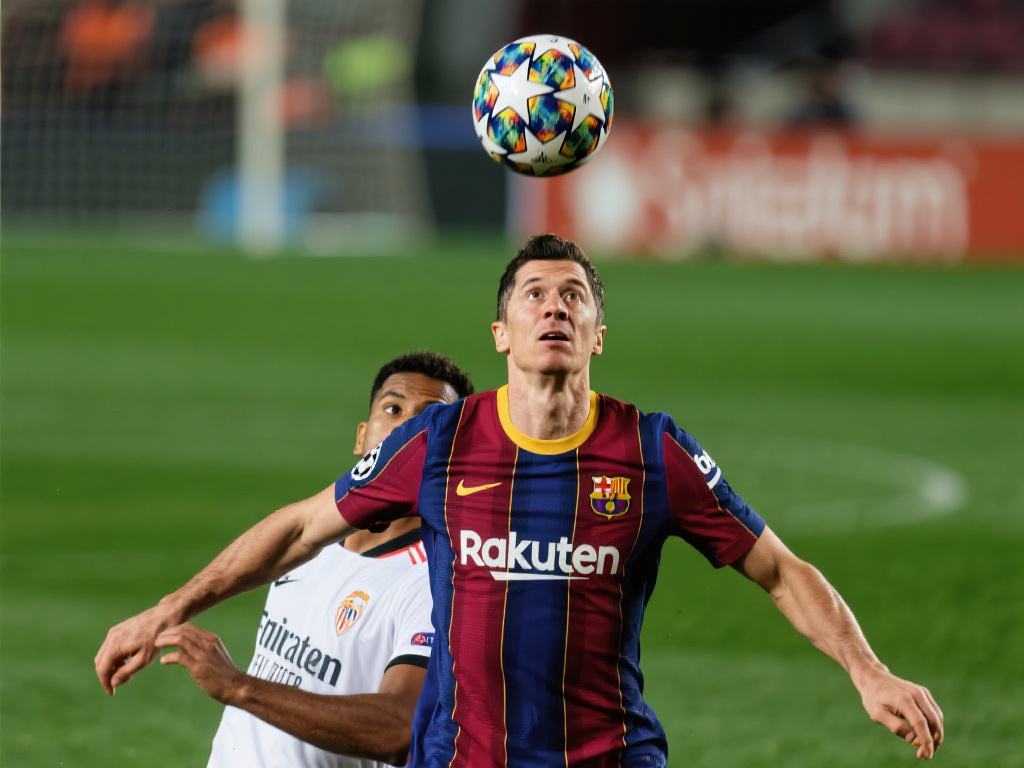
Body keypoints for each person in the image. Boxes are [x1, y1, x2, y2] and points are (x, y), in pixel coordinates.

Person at [97, 234, 944, 767]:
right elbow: (299, 528)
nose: (554, 306)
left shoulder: (652, 451)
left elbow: (779, 569)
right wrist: (167, 609)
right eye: (534, 293)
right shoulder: (440, 441)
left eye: (574, 295)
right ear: (502, 332)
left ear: (597, 335)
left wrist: (866, 670)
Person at [149, 351, 474, 767]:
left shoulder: (433, 583)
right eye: (393, 409)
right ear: (361, 437)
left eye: (429, 419)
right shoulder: (309, 542)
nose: (406, 429)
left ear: (454, 457)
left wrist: (238, 687)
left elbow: (400, 729)